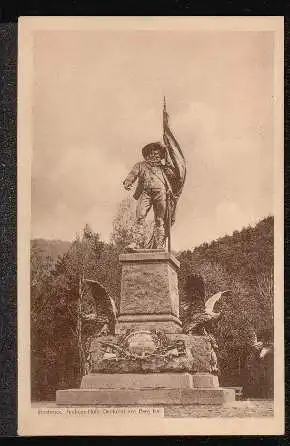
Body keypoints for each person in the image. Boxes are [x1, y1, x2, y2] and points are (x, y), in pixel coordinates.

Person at [123, 141, 176, 249]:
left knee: (159, 220)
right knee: (140, 217)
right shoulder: (141, 165)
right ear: (148, 154)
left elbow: (173, 175)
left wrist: (170, 157)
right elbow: (133, 174)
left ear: (161, 155)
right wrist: (128, 182)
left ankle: (159, 244)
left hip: (161, 194)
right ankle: (136, 243)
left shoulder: (164, 168)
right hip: (145, 193)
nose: (155, 155)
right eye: (152, 152)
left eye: (157, 153)